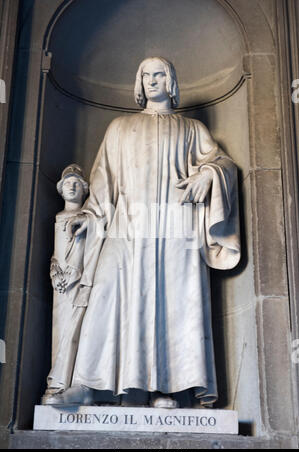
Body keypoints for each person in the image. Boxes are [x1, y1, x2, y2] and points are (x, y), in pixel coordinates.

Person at [55, 57, 240, 408]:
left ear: (171, 81)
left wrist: (208, 175)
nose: (152, 80)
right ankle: (88, 383)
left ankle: (166, 388)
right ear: (138, 82)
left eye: (159, 74)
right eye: (145, 74)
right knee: (106, 296)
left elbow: (223, 163)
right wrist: (91, 216)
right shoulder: (119, 127)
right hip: (127, 226)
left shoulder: (191, 129)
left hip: (176, 228)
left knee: (174, 303)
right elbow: (103, 180)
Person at [42, 164, 90, 405]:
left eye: (77, 183)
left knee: (75, 330)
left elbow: (88, 252)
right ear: (60, 190)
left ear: (84, 189)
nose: (72, 186)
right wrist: (55, 270)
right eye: (68, 182)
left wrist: (73, 271)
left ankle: (68, 381)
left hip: (78, 282)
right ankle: (56, 381)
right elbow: (56, 252)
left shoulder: (88, 219)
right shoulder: (59, 217)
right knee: (59, 329)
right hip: (59, 285)